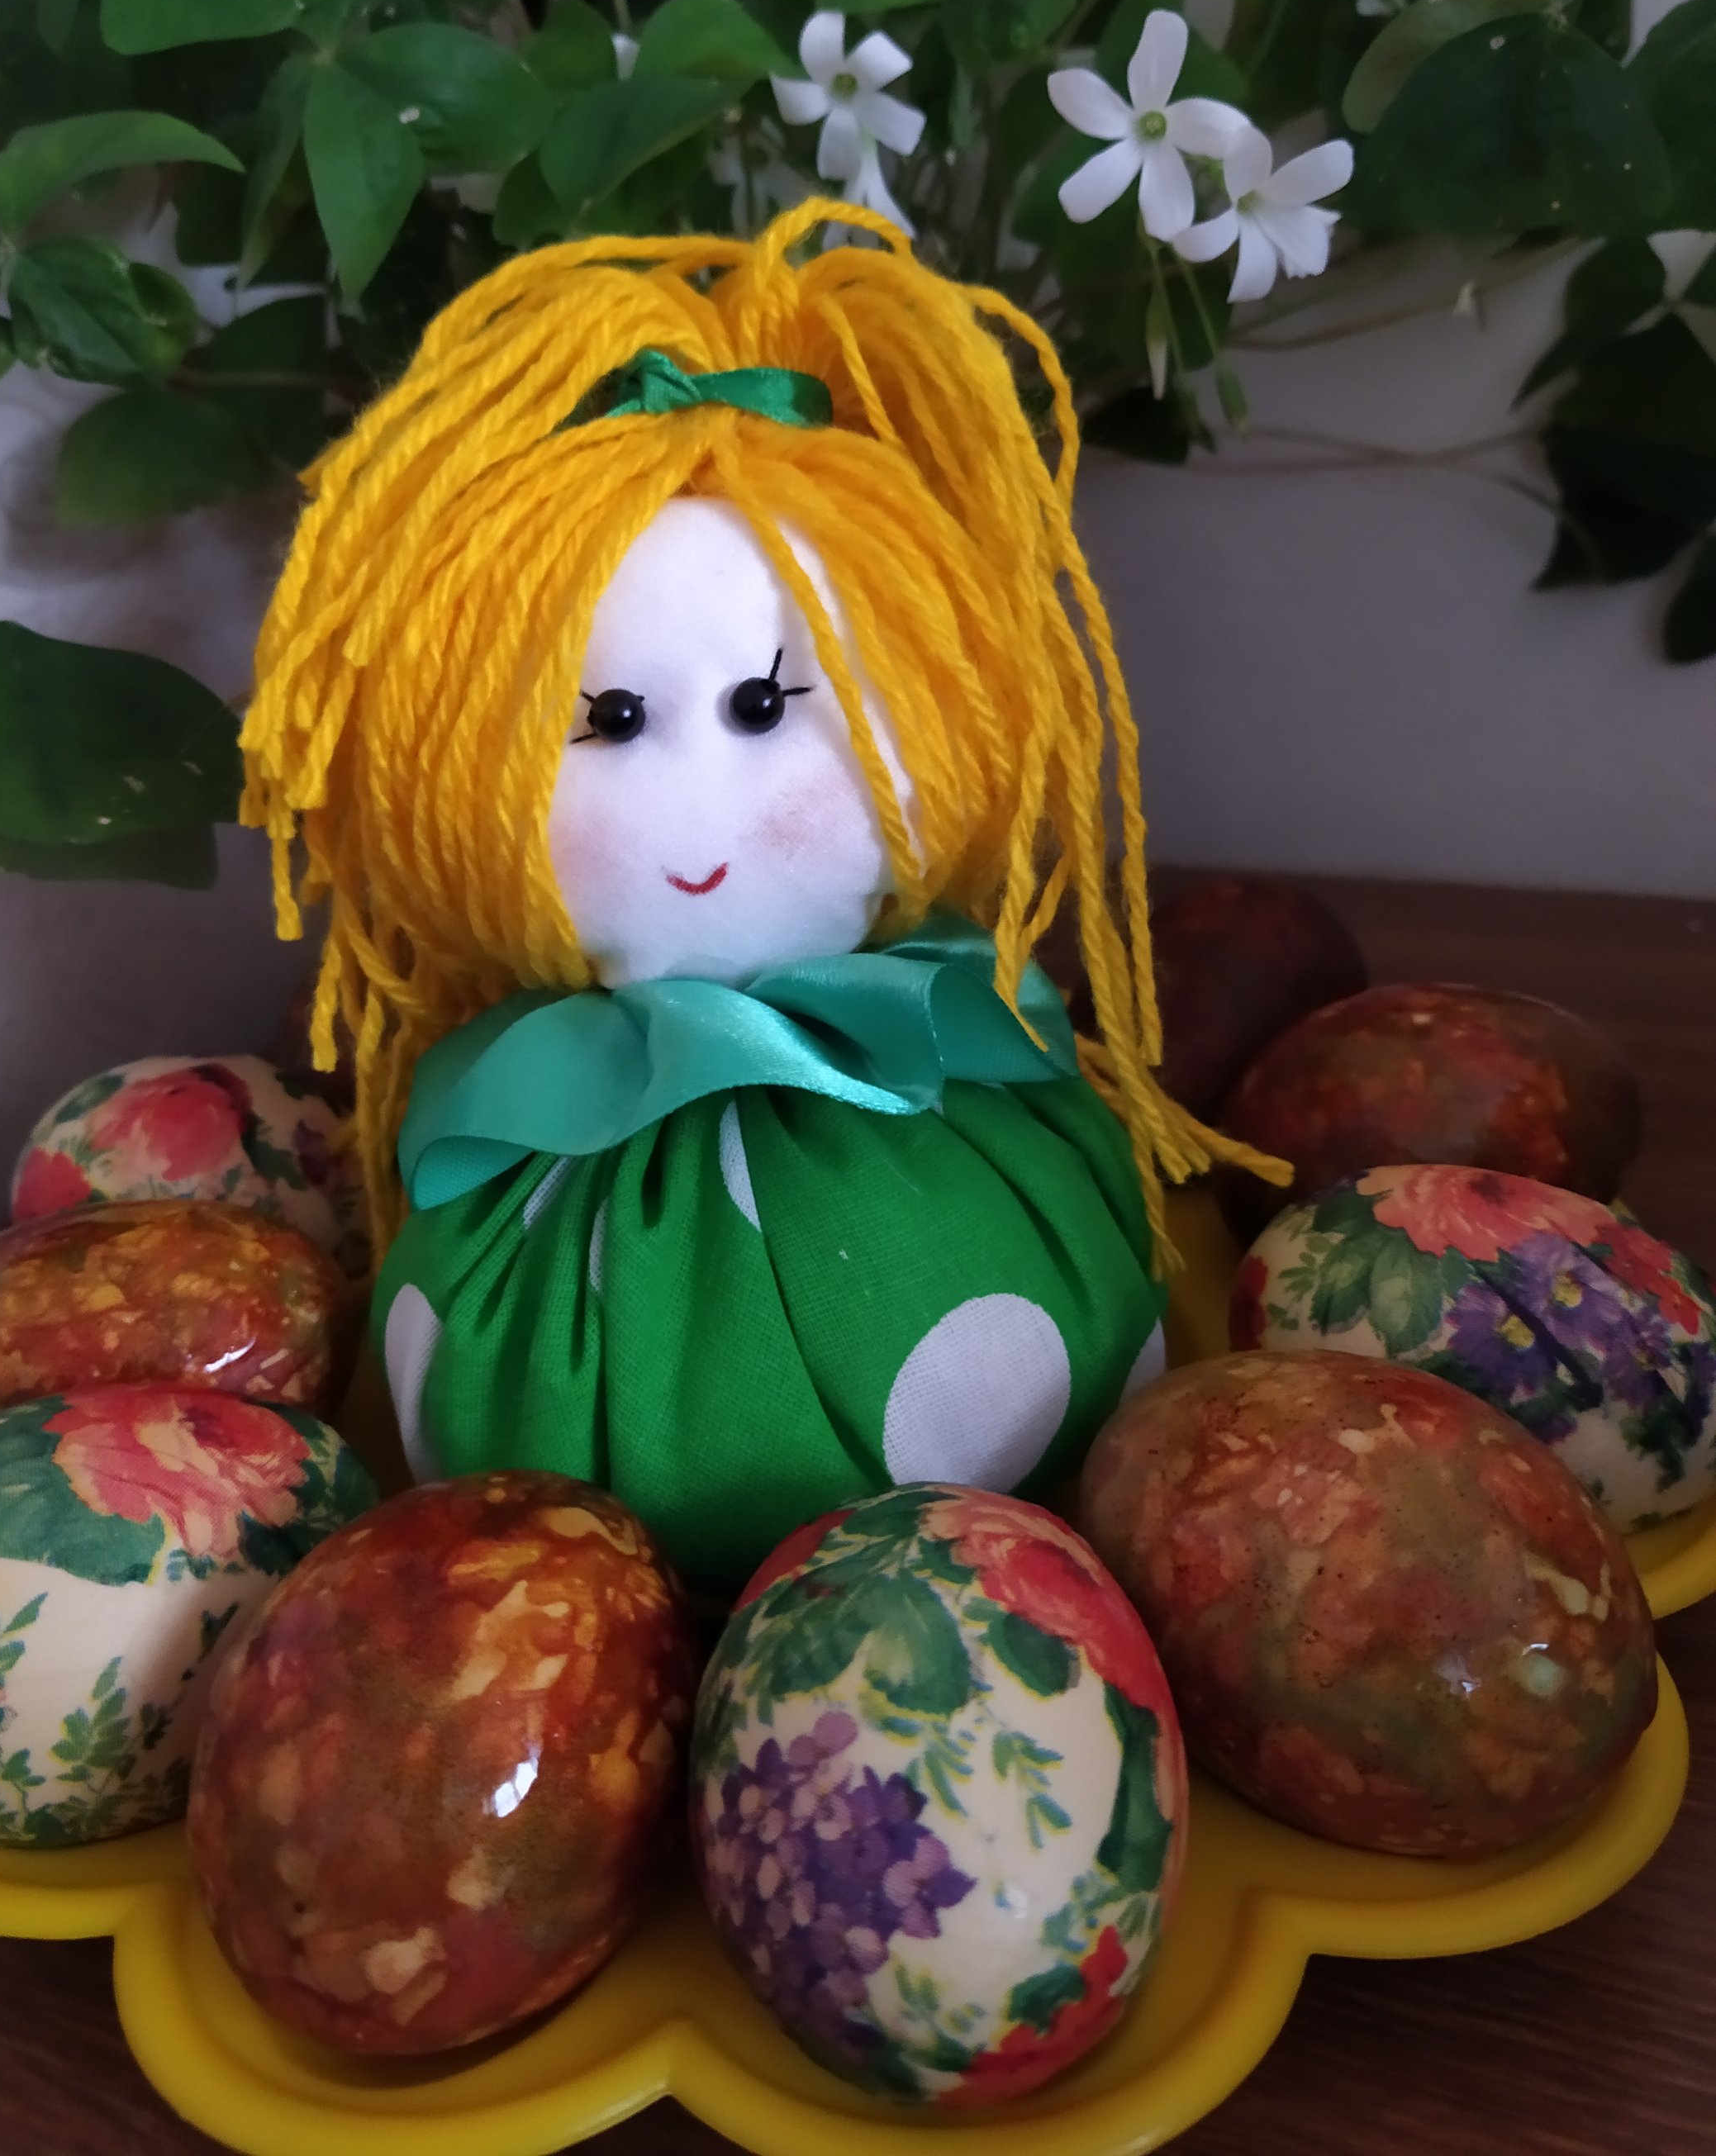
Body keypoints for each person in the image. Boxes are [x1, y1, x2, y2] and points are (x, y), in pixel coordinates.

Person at [241, 197, 1279, 1592]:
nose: (694, 803)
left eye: (761, 705)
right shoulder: (505, 1100)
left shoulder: (961, 1028)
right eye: (608, 719)